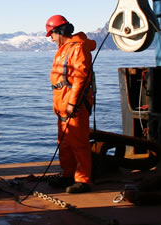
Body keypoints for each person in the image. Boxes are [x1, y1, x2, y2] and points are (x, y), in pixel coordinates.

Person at [45, 15, 96, 193]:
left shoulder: (78, 48)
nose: (50, 38)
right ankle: (68, 175)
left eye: (51, 34)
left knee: (78, 142)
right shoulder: (64, 48)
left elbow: (80, 78)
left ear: (59, 32)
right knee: (64, 142)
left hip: (75, 104)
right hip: (62, 103)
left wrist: (73, 104)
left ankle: (83, 180)